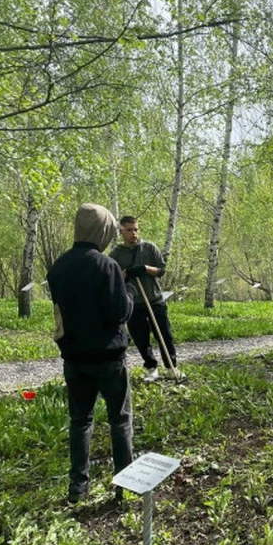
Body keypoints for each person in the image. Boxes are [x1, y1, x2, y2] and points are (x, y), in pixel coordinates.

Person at [47, 203, 135, 504]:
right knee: (120, 420)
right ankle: (125, 486)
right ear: (102, 230)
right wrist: (130, 295)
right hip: (109, 359)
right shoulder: (106, 265)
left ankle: (78, 488)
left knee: (80, 421)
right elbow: (118, 313)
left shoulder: (58, 267)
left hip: (74, 359)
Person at [109, 216, 181, 382]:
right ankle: (151, 367)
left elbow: (161, 270)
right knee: (141, 338)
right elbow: (113, 278)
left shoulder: (149, 248)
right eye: (129, 230)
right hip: (134, 304)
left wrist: (145, 269)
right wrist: (126, 274)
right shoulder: (116, 254)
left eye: (136, 229)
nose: (134, 233)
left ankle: (172, 367)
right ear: (121, 232)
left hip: (155, 300)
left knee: (164, 334)